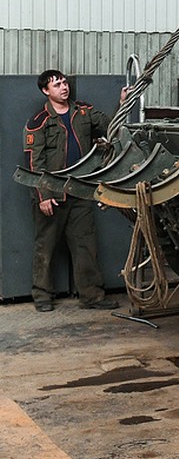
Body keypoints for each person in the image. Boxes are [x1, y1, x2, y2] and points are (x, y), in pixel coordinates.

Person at [24, 70, 120, 312]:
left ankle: (92, 297)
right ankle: (42, 296)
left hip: (80, 191)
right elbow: (34, 162)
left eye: (64, 83)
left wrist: (123, 103)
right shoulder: (39, 122)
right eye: (56, 85)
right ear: (46, 91)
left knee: (85, 246)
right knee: (45, 246)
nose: (63, 87)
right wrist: (43, 195)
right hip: (52, 194)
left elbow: (111, 126)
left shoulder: (84, 112)